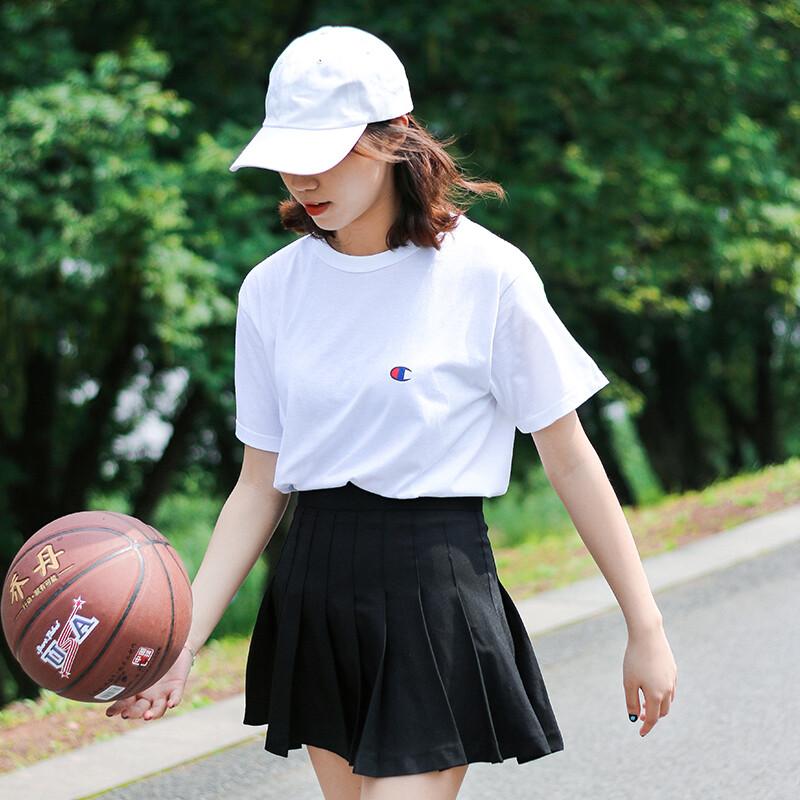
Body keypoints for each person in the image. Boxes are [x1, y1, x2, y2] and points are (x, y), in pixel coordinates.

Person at [105, 24, 678, 800]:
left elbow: (570, 457)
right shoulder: (270, 291)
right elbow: (259, 485)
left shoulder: (487, 274)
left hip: (432, 589)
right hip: (315, 591)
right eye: (289, 153)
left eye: (326, 150)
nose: (302, 177)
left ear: (395, 136)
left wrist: (645, 626)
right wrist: (185, 642)